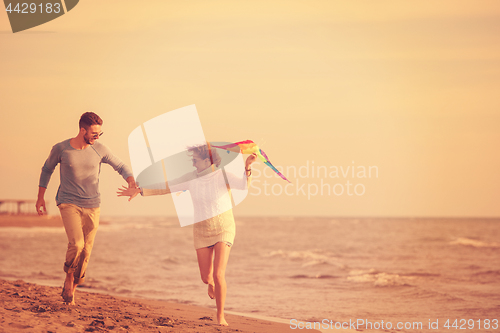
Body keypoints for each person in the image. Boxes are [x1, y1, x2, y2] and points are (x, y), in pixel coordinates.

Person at [117, 144, 256, 326]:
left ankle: (220, 316)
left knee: (219, 274)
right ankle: (210, 283)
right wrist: (140, 190)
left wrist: (248, 166)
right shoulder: (190, 179)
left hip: (224, 227)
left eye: (195, 160)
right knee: (206, 277)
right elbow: (166, 186)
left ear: (207, 161)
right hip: (201, 230)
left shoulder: (223, 175)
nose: (192, 163)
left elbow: (244, 185)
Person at [36, 112, 136, 305]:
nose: (97, 137)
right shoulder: (62, 149)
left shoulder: (100, 149)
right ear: (83, 130)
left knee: (87, 250)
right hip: (68, 202)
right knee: (77, 244)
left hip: (93, 205)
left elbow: (121, 166)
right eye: (94, 134)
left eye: (99, 134)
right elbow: (47, 169)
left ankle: (72, 290)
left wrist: (131, 181)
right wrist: (40, 197)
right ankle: (68, 276)